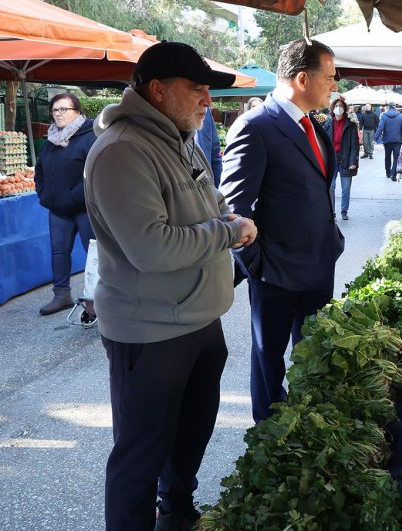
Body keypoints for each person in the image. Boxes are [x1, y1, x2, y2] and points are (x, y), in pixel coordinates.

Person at [84, 42, 258, 531]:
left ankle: (176, 513)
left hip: (200, 318)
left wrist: (223, 215)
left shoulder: (180, 138)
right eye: (197, 89)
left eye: (208, 90)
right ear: (158, 90)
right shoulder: (122, 150)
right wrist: (228, 231)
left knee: (190, 434)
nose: (208, 101)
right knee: (140, 456)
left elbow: (205, 200)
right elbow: (152, 249)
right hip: (150, 329)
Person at [220, 39, 343, 424]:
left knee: (315, 357)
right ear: (303, 78)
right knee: (269, 362)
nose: (335, 86)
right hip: (276, 272)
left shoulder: (315, 126)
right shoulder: (255, 127)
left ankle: (308, 426)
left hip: (319, 265)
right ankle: (270, 435)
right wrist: (258, 264)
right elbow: (232, 209)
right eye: (330, 77)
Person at [34, 93, 97, 315]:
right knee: (58, 252)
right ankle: (62, 296)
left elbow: (93, 174)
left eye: (64, 109)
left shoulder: (91, 137)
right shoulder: (50, 141)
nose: (58, 114)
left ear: (77, 112)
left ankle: (98, 298)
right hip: (57, 210)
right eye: (55, 110)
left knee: (95, 254)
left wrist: (72, 197)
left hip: (84, 209)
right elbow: (40, 170)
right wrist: (43, 194)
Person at [324, 98, 359, 220]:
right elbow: (323, 143)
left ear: (344, 109)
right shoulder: (328, 124)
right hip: (332, 159)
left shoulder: (350, 125)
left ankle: (344, 210)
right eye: (336, 105)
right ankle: (331, 211)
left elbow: (355, 145)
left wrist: (353, 161)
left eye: (341, 106)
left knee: (345, 188)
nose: (338, 107)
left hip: (346, 159)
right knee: (330, 187)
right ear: (333, 108)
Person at [374, 101, 402, 181]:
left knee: (387, 156)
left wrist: (375, 138)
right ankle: (394, 174)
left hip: (387, 140)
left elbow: (380, 128)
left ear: (388, 107)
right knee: (396, 157)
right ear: (395, 107)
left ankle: (388, 173)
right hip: (397, 140)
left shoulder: (384, 116)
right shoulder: (401, 116)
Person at [196, 108, 224, 188]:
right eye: (198, 94)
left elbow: (215, 158)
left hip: (207, 189)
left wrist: (217, 192)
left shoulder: (206, 112)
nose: (208, 102)